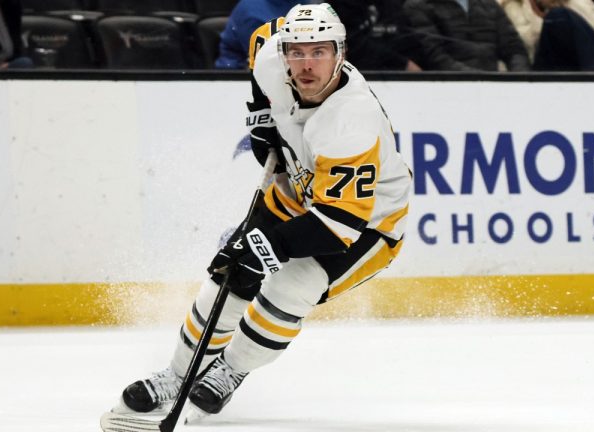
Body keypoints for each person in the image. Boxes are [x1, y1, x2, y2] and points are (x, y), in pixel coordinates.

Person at [113, 2, 412, 419]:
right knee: (229, 272)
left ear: (340, 53)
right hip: (299, 189)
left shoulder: (351, 120)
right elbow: (261, 56)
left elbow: (338, 223)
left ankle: (230, 370)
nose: (306, 64)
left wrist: (267, 247)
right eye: (297, 52)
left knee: (290, 287)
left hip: (367, 223)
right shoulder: (271, 52)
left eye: (319, 52)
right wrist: (262, 117)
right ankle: (177, 376)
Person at [403, 0, 530, 71]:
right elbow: (436, 59)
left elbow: (515, 50)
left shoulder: (489, 5)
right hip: (448, 92)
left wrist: (519, 80)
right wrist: (483, 81)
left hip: (494, 91)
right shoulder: (418, 7)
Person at [529, 0, 594, 71]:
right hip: (540, 76)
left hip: (589, 69)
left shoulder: (575, 3)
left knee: (558, 16)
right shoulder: (519, 8)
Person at [330, 0, 423, 71]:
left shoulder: (392, 5)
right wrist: (403, 64)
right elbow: (352, 44)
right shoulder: (339, 6)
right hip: (361, 76)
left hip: (405, 80)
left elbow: (408, 38)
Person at [214, 0, 303, 69]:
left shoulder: (302, 3)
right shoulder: (252, 13)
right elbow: (268, 62)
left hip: (295, 64)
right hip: (237, 75)